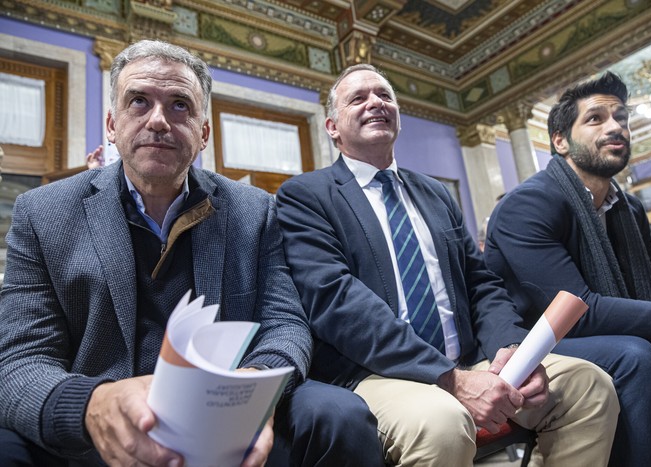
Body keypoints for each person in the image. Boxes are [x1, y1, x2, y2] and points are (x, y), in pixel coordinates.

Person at [0, 40, 382, 467]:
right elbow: (21, 356)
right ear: (112, 123)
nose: (159, 121)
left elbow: (284, 321)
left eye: (180, 105)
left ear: (203, 133)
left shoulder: (255, 210)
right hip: (100, 418)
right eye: (139, 102)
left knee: (341, 415)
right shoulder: (43, 211)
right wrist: (90, 405)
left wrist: (250, 391)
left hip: (227, 410)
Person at [276, 64, 619, 466]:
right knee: (442, 423)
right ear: (333, 127)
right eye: (359, 98)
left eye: (385, 95)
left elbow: (481, 284)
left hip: (472, 360)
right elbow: (336, 302)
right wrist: (450, 379)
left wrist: (510, 351)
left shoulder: (434, 193)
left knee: (588, 385)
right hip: (378, 374)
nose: (376, 103)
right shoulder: (305, 195)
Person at [484, 71, 651, 466]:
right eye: (596, 118)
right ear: (560, 141)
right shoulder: (527, 205)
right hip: (534, 345)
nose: (616, 127)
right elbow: (579, 311)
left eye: (622, 117)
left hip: (594, 328)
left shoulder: (628, 206)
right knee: (634, 354)